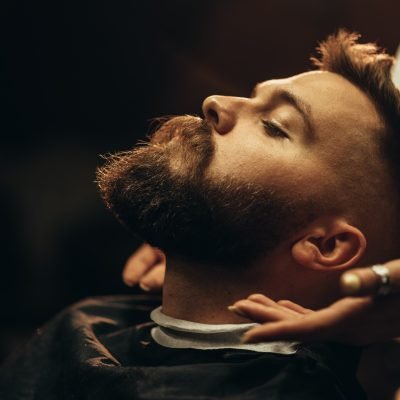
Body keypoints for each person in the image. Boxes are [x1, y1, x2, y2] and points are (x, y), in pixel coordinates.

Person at [2, 30, 400, 399]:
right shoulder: (88, 326)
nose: (216, 102)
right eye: (250, 95)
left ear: (325, 244)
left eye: (274, 126)